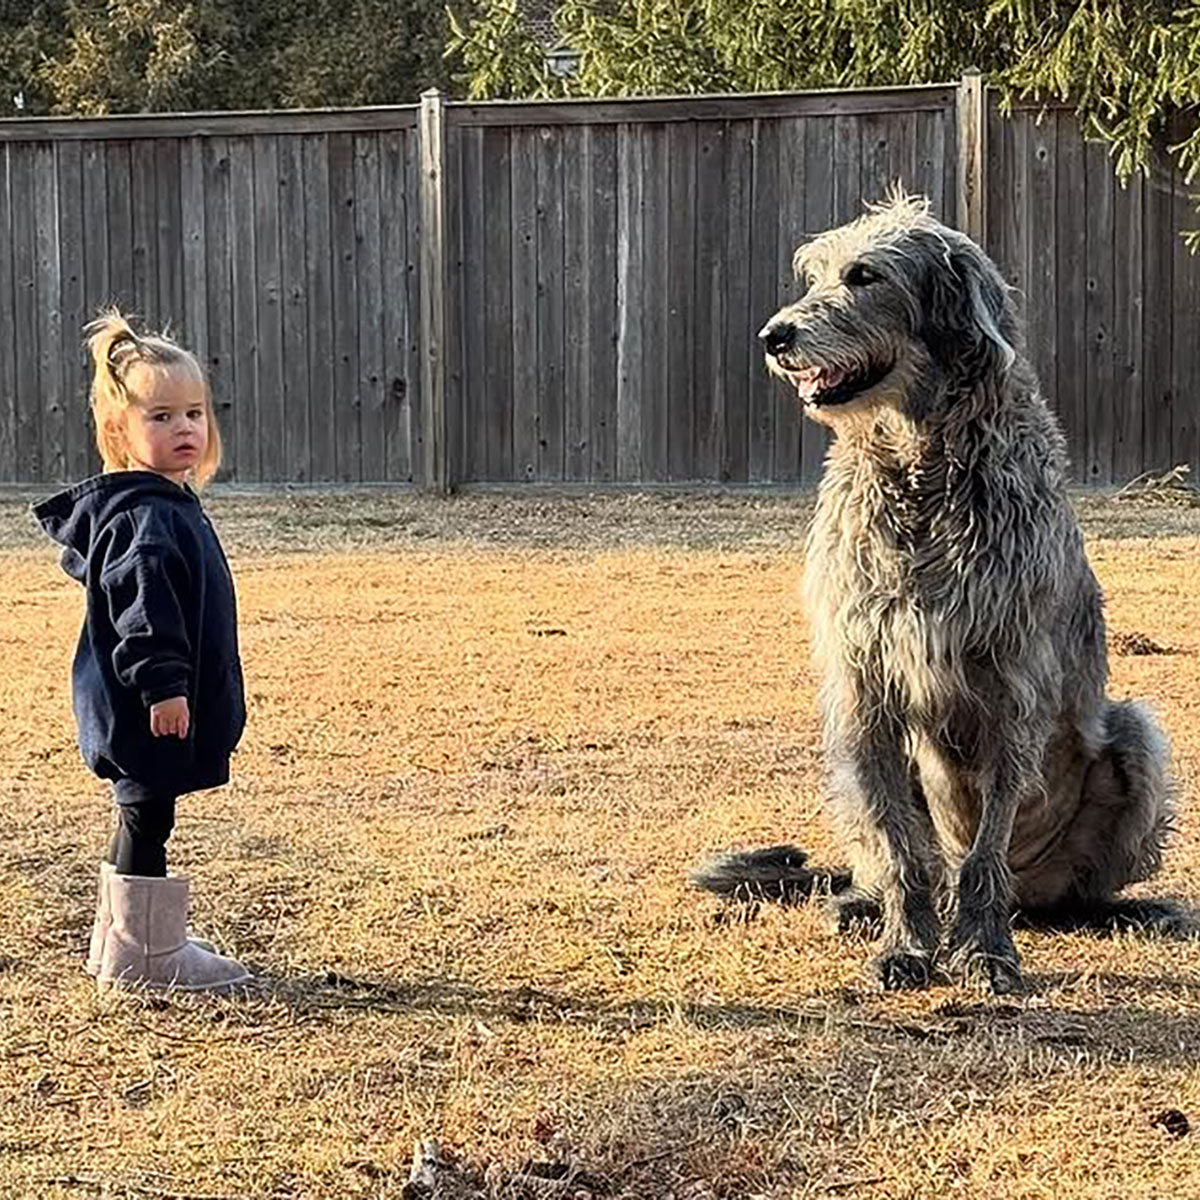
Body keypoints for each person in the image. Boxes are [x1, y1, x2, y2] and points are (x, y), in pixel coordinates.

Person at [33, 310, 250, 992]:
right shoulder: (148, 520)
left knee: (141, 808)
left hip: (147, 698)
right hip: (148, 699)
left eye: (193, 413)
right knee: (147, 810)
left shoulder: (164, 504)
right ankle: (147, 956)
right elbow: (145, 612)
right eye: (160, 416)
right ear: (119, 432)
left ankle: (122, 939)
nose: (184, 428)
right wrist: (165, 688)